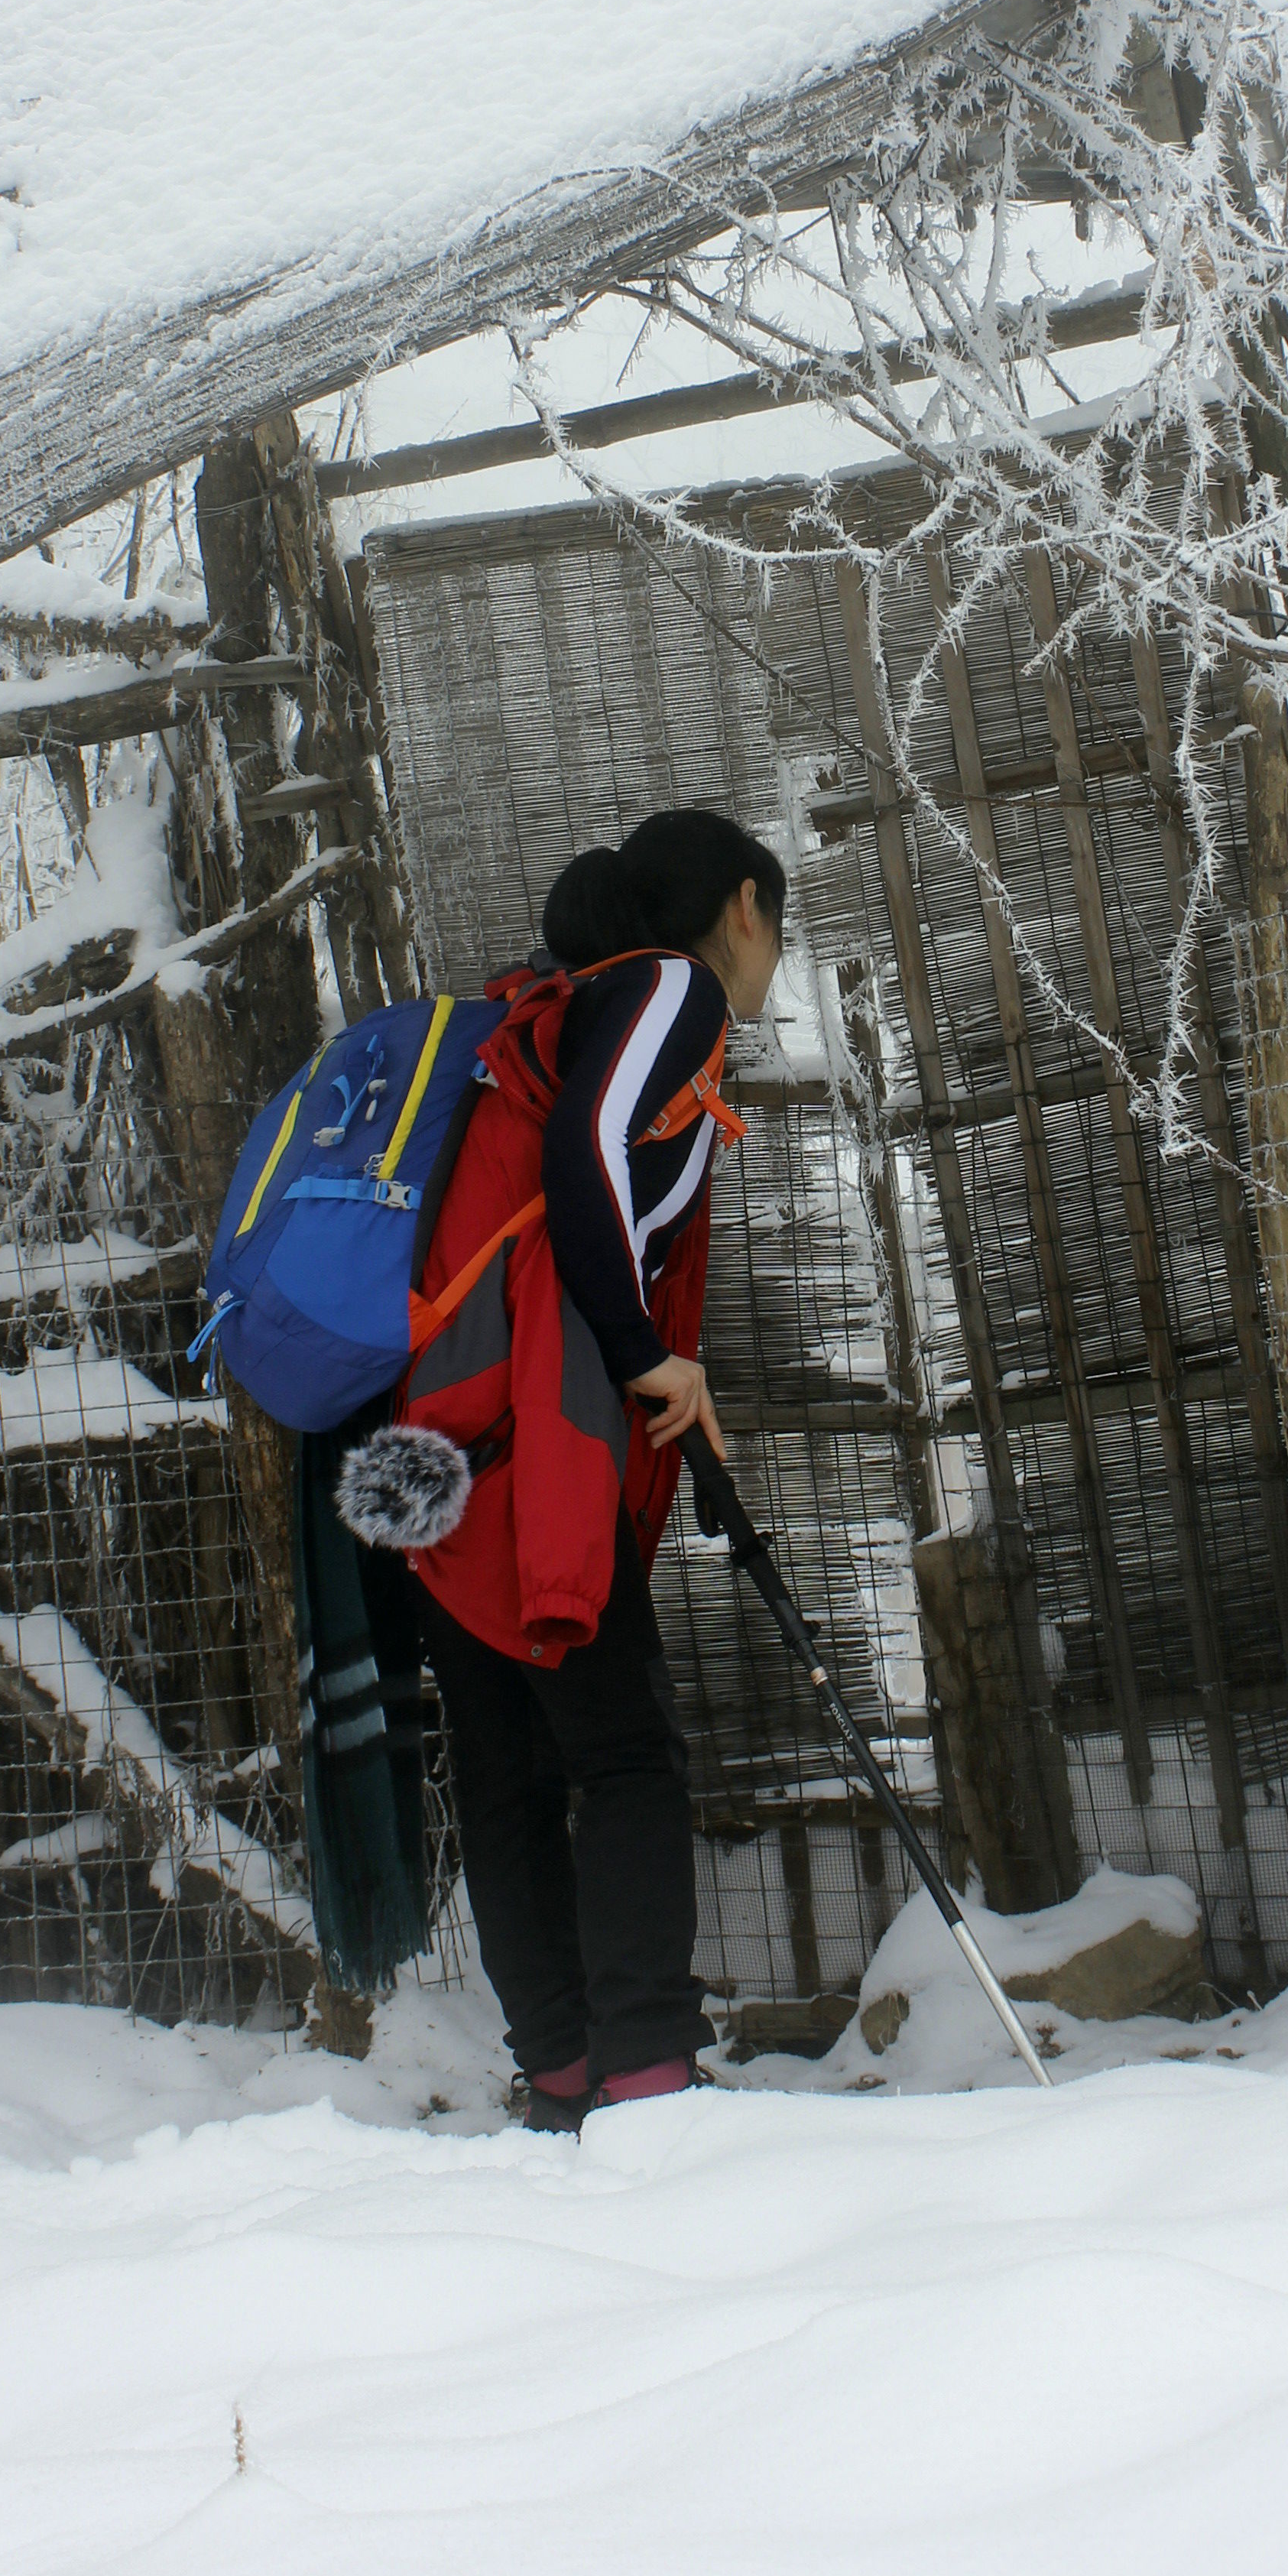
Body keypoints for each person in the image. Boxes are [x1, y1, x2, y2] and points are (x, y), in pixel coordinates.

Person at [356, 808, 785, 2132]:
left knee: (507, 1769)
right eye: (773, 930)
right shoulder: (668, 988)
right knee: (626, 1758)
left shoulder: (543, 1014)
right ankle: (649, 2071)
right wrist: (644, 1354)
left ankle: (559, 2074)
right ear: (744, 908)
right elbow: (588, 1158)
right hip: (537, 1433)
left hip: (437, 1432)